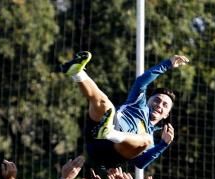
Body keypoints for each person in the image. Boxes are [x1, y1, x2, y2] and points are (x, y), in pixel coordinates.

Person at [59, 51, 188, 169]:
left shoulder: (151, 142)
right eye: (157, 100)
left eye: (165, 105)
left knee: (146, 139)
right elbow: (141, 81)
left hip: (113, 154)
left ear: (166, 115)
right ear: (148, 100)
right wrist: (167, 64)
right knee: (106, 104)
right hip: (96, 136)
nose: (159, 105)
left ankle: (109, 132)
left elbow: (140, 163)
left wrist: (163, 145)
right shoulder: (137, 102)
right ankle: (76, 72)